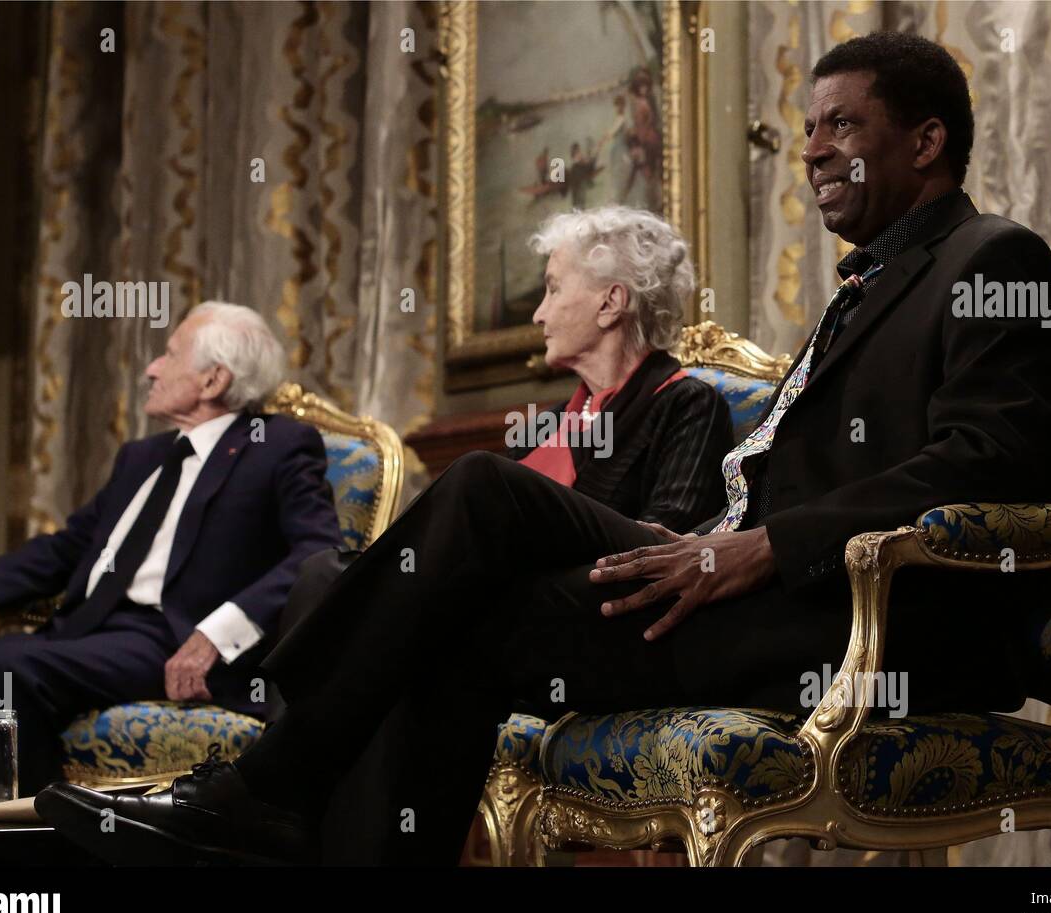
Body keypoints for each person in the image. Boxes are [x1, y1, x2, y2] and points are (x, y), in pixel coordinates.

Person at [36, 31, 1051, 866]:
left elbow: (988, 461)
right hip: (747, 578)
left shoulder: (994, 257)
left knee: (485, 495)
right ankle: (274, 805)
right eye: (807, 127)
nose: (810, 151)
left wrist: (755, 547)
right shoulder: (866, 285)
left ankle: (264, 787)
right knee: (452, 600)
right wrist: (726, 543)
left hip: (859, 614)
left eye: (840, 126)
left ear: (927, 140)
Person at [276, 205, 734, 863]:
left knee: (420, 644)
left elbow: (667, 554)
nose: (539, 313)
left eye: (552, 288)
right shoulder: (553, 420)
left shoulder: (687, 403)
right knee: (324, 573)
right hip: (502, 622)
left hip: (596, 632)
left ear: (611, 302)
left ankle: (287, 798)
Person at [0, 302, 342, 794]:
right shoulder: (142, 457)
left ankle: (27, 836)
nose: (151, 368)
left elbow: (319, 553)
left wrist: (217, 634)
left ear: (213, 381)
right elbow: (69, 547)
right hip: (84, 632)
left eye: (169, 354)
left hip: (165, 641)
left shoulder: (279, 446)